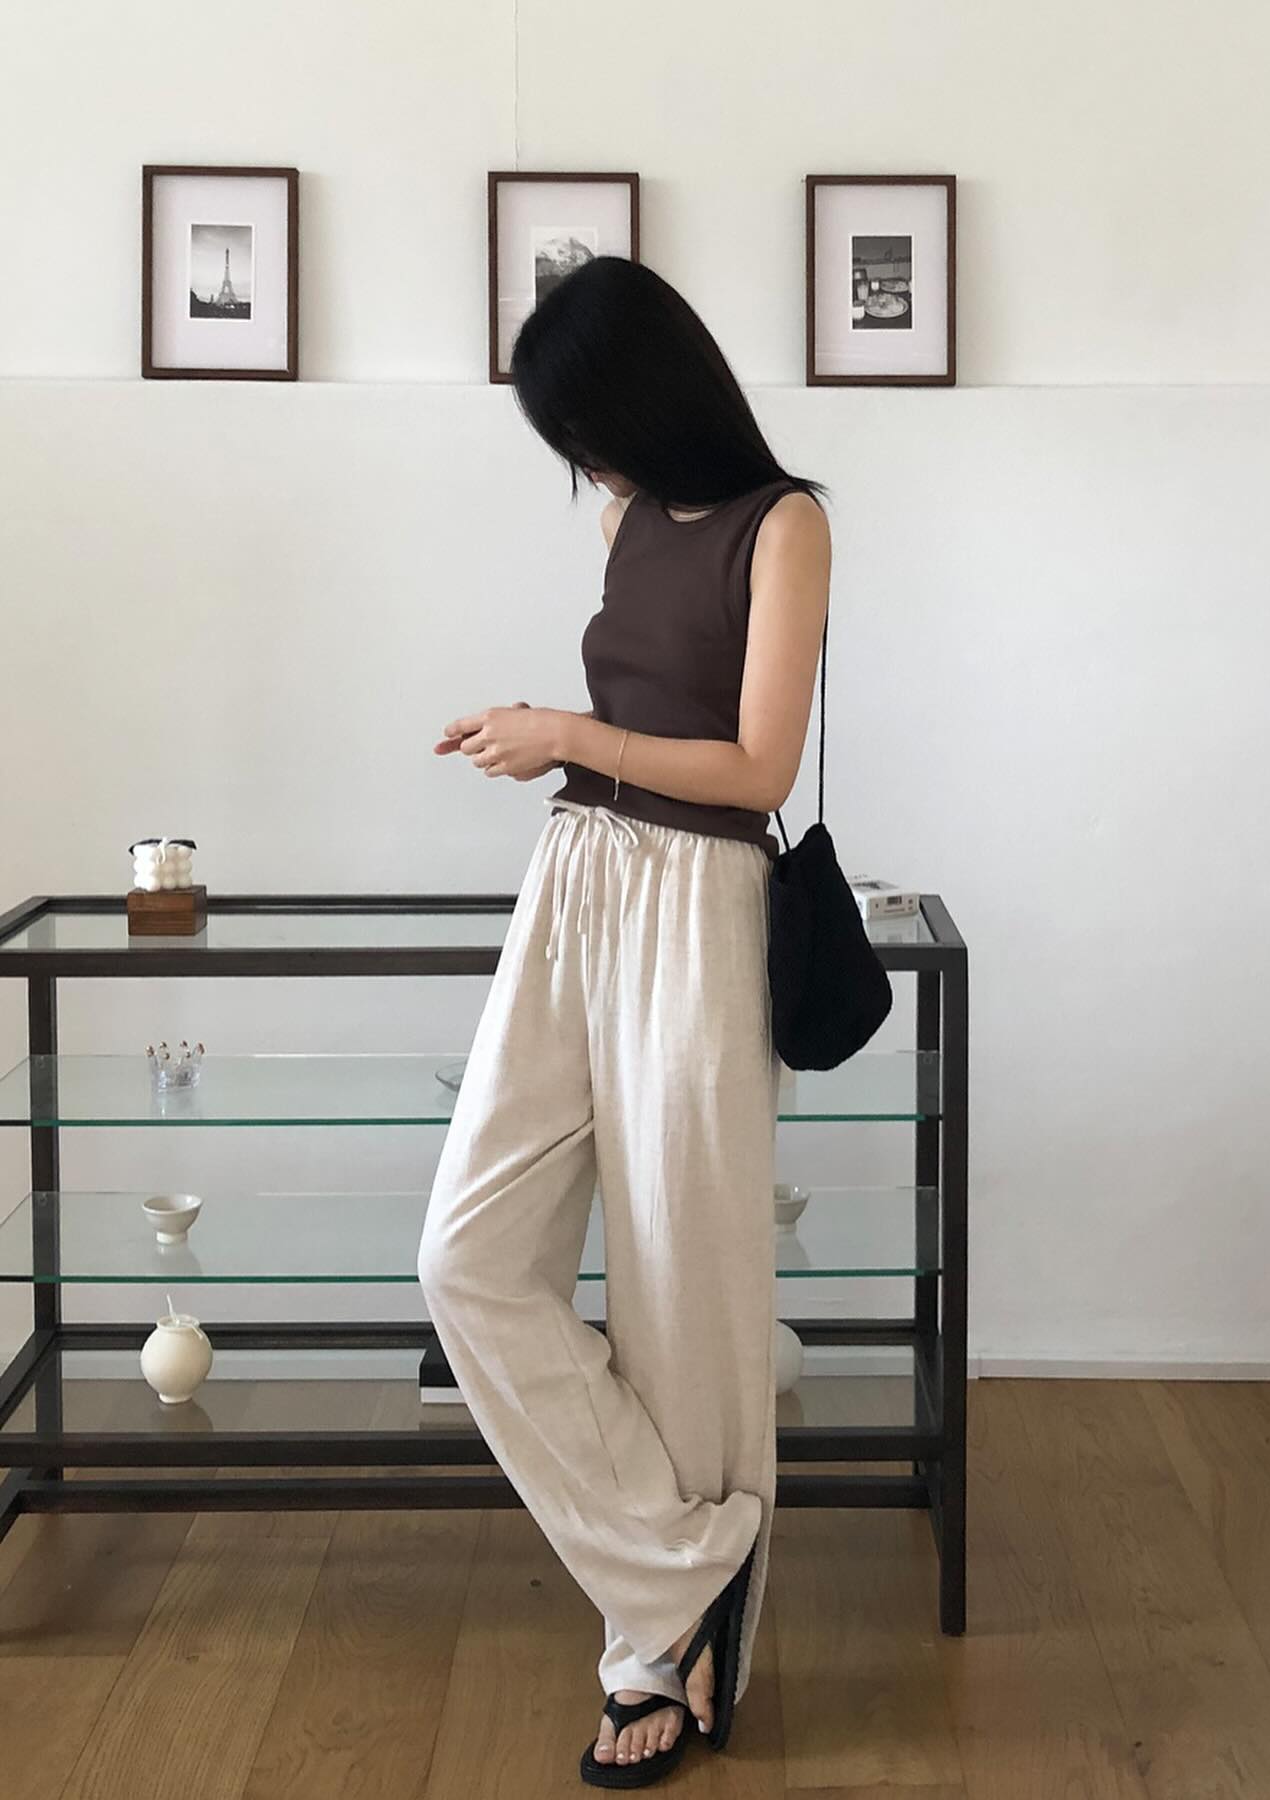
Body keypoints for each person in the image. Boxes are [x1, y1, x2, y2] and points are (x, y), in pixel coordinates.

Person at [417, 254, 830, 1785]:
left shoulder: (786, 525)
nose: (581, 462)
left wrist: (567, 731)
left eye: (583, 427)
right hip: (577, 875)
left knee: (682, 1293)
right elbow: (635, 734)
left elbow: (759, 768)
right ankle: (681, 1565)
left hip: (701, 900)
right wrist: (556, 748)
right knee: (468, 1257)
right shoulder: (624, 518)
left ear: (645, 393)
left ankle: (651, 1654)